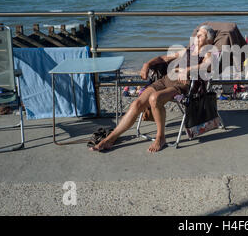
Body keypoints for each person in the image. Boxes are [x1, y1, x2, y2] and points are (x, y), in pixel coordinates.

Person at [90, 25, 216, 153]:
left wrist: (186, 70)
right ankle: (110, 139)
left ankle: (160, 137)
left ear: (209, 41)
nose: (196, 37)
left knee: (154, 98)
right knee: (137, 103)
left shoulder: (209, 52)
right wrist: (147, 64)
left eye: (200, 35)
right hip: (166, 80)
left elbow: (206, 65)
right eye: (196, 34)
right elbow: (163, 58)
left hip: (185, 86)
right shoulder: (187, 50)